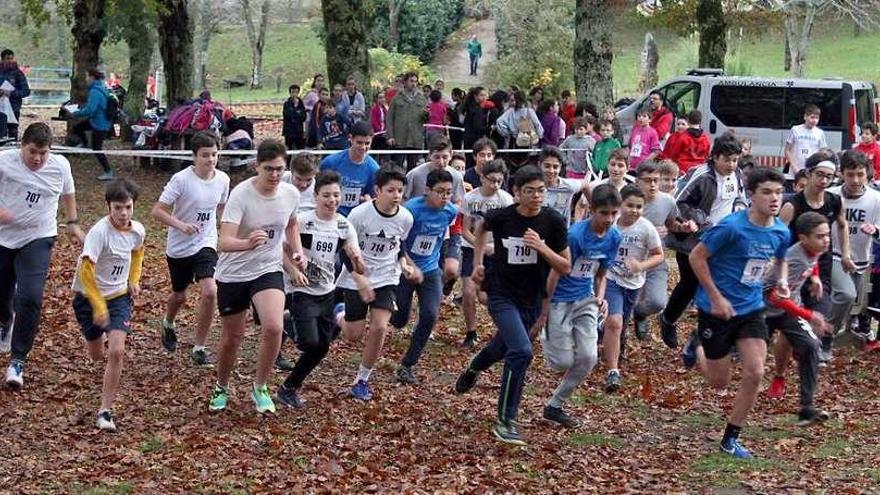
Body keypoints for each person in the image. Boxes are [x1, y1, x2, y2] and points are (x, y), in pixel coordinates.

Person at [454, 165, 571, 446]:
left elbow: (565, 266)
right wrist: (479, 262)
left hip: (532, 298)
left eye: (541, 190)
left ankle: (473, 368)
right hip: (501, 293)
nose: (536, 196)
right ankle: (506, 420)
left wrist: (542, 248)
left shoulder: (553, 221)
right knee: (521, 350)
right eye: (529, 191)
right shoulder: (503, 216)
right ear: (516, 193)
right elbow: (481, 229)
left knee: (502, 347)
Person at [687, 167, 790, 459]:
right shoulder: (731, 227)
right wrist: (716, 298)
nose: (774, 198)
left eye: (779, 192)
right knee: (719, 381)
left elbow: (781, 260)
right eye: (767, 192)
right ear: (752, 195)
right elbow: (697, 257)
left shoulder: (781, 230)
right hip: (715, 310)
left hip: (751, 308)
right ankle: (697, 348)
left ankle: (730, 438)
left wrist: (781, 280)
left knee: (756, 372)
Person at [208, 140, 304, 414]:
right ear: (256, 167)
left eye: (279, 169)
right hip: (234, 272)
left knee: (274, 327)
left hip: (268, 268)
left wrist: (297, 251)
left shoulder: (289, 194)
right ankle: (221, 385)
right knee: (232, 337)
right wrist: (248, 243)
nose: (274, 175)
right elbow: (223, 241)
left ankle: (260, 386)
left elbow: (292, 223)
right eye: (268, 169)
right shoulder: (241, 196)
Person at [1, 123, 85, 388]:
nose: (37, 158)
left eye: (43, 153)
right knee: (2, 295)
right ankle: (5, 320)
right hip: (3, 237)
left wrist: (72, 223)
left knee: (30, 296)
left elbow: (68, 193)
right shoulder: (4, 161)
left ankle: (17, 361)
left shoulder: (60, 166)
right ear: (22, 146)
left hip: (38, 236)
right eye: (32, 152)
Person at [275, 171, 364, 408]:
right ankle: (287, 321)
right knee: (309, 343)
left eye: (336, 195)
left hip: (327, 290)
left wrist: (356, 259)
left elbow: (358, 263)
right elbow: (278, 249)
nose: (332, 200)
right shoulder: (303, 221)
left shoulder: (344, 225)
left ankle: (288, 388)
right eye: (326, 195)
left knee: (321, 347)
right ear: (315, 196)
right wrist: (294, 271)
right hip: (300, 289)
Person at [335, 168, 420, 401]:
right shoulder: (359, 215)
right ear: (377, 190)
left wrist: (403, 263)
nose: (396, 195)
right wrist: (359, 278)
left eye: (400, 191)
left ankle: (362, 379)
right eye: (390, 190)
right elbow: (345, 250)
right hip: (357, 276)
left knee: (380, 326)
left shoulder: (406, 217)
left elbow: (399, 244)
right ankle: (339, 314)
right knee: (353, 334)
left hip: (386, 277)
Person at [540, 184, 621, 426]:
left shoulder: (614, 237)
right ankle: (547, 335)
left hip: (585, 299)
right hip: (559, 300)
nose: (609, 219)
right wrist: (544, 308)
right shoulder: (575, 236)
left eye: (613, 213)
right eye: (603, 213)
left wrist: (601, 297)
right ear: (591, 210)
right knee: (561, 362)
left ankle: (555, 406)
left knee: (588, 357)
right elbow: (556, 273)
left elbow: (601, 273)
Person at [661, 133, 747, 349]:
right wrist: (697, 220)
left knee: (717, 285)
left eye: (735, 159)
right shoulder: (702, 176)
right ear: (715, 157)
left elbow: (740, 197)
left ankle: (706, 335)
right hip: (693, 240)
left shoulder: (736, 174)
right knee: (690, 284)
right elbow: (680, 202)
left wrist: (740, 212)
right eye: (726, 159)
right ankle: (668, 319)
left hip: (723, 239)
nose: (731, 164)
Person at [72, 179, 145, 431]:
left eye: (128, 207)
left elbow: (137, 253)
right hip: (88, 298)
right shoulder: (99, 233)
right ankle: (96, 342)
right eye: (117, 208)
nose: (123, 213)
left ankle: (105, 411)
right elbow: (86, 273)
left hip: (119, 297)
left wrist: (133, 280)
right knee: (97, 355)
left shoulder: (138, 231)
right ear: (108, 207)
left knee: (116, 352)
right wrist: (98, 306)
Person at [151, 132, 230, 366]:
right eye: (205, 155)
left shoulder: (223, 180)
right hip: (179, 245)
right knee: (179, 295)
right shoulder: (181, 180)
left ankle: (200, 346)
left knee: (210, 291)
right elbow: (158, 210)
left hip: (205, 241)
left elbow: (222, 208)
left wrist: (227, 232)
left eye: (214, 154)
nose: (211, 159)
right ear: (194, 156)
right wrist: (181, 225)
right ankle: (168, 322)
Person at [779, 151, 850, 365]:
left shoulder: (834, 201)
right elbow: (778, 236)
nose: (824, 180)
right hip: (792, 268)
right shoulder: (793, 204)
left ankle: (817, 345)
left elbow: (843, 224)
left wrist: (846, 254)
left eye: (829, 177)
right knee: (787, 317)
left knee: (823, 308)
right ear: (809, 174)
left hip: (822, 265)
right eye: (820, 174)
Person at [764, 212, 832, 426]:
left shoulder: (815, 250)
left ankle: (806, 408)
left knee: (811, 345)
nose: (826, 240)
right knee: (740, 358)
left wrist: (815, 278)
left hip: (787, 311)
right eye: (820, 236)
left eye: (827, 235)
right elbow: (775, 296)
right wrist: (810, 315)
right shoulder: (793, 258)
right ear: (803, 238)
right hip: (761, 311)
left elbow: (813, 262)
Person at [392, 169, 459, 384]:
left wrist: (448, 258)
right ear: (427, 190)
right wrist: (410, 266)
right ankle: (384, 308)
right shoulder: (411, 210)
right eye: (440, 192)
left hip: (430, 270)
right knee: (400, 319)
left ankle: (407, 364)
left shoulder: (450, 211)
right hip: (404, 269)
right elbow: (398, 243)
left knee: (430, 314)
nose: (445, 197)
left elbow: (445, 237)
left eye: (448, 192)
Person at [602, 185, 663, 392]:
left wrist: (641, 266)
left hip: (634, 282)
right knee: (615, 322)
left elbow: (658, 254)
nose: (634, 210)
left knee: (621, 323)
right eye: (630, 205)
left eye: (639, 206)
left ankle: (611, 341)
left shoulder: (646, 228)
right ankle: (613, 372)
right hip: (611, 278)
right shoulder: (611, 226)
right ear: (620, 205)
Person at [631, 161, 697, 340]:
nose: (653, 184)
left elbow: (671, 223)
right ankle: (617, 343)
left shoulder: (667, 201)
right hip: (629, 260)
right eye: (648, 180)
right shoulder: (627, 199)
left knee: (658, 302)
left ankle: (639, 313)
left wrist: (682, 228)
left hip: (655, 259)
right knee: (620, 307)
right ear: (637, 181)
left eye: (655, 180)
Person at [826, 150, 880, 343]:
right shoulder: (830, 195)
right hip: (834, 254)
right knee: (846, 294)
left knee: (851, 301)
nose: (855, 180)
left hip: (861, 258)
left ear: (868, 174)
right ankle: (825, 337)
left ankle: (836, 332)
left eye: (860, 175)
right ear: (841, 174)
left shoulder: (876, 199)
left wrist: (875, 230)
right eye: (850, 174)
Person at [460, 159, 514, 348]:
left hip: (496, 251)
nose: (495, 185)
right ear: (482, 177)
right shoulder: (471, 198)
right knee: (468, 292)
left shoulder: (505, 200)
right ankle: (471, 332)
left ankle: (504, 331)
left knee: (485, 297)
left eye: (499, 181)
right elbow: (464, 230)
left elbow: (510, 231)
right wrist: (480, 246)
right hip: (471, 248)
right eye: (491, 180)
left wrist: (495, 248)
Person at [319, 121, 380, 217]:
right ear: (350, 139)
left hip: (357, 218)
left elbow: (373, 197)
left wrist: (368, 200)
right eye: (359, 142)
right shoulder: (331, 162)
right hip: (330, 215)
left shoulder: (374, 169)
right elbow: (318, 190)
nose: (363, 147)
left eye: (367, 143)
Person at [69, 69, 113, 181]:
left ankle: (108, 172)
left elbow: (90, 110)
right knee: (78, 128)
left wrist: (76, 113)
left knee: (97, 149)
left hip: (100, 124)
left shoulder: (95, 91)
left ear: (93, 77)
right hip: (96, 121)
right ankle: (84, 144)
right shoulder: (101, 88)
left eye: (88, 77)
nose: (86, 80)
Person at [387, 72, 428, 172]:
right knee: (397, 167)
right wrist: (390, 136)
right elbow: (389, 117)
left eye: (415, 81)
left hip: (415, 139)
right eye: (411, 81)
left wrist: (427, 115)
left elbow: (425, 120)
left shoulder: (421, 98)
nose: (413, 84)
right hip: (400, 138)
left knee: (413, 169)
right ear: (405, 82)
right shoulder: (397, 98)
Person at [539, 146, 590, 224]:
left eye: (555, 167)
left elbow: (585, 185)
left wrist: (594, 207)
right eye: (547, 166)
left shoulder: (568, 186)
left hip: (562, 233)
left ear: (560, 167)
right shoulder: (533, 187)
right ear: (539, 165)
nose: (551, 171)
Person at [784, 104, 827, 183]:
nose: (814, 120)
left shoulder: (820, 133)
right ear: (805, 117)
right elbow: (787, 150)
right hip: (795, 170)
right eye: (812, 117)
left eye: (817, 118)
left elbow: (823, 152)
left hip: (811, 171)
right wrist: (794, 166)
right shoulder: (795, 130)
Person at [659, 110, 710, 175]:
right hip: (699, 171)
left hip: (683, 171)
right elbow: (706, 156)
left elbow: (674, 155)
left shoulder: (683, 137)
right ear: (700, 122)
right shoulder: (705, 138)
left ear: (688, 121)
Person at [0, 49, 31, 140]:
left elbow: (26, 91)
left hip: (14, 108)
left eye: (12, 58)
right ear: (2, 60)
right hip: (0, 110)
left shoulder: (18, 74)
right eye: (7, 58)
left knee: (13, 134)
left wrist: (11, 93)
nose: (10, 61)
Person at [282, 84, 307, 150]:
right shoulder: (287, 104)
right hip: (289, 131)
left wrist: (296, 112)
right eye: (293, 92)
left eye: (296, 92)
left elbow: (303, 117)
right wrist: (296, 112)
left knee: (300, 149)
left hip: (299, 131)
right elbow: (287, 115)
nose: (294, 94)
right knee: (288, 150)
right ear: (290, 93)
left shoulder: (301, 104)